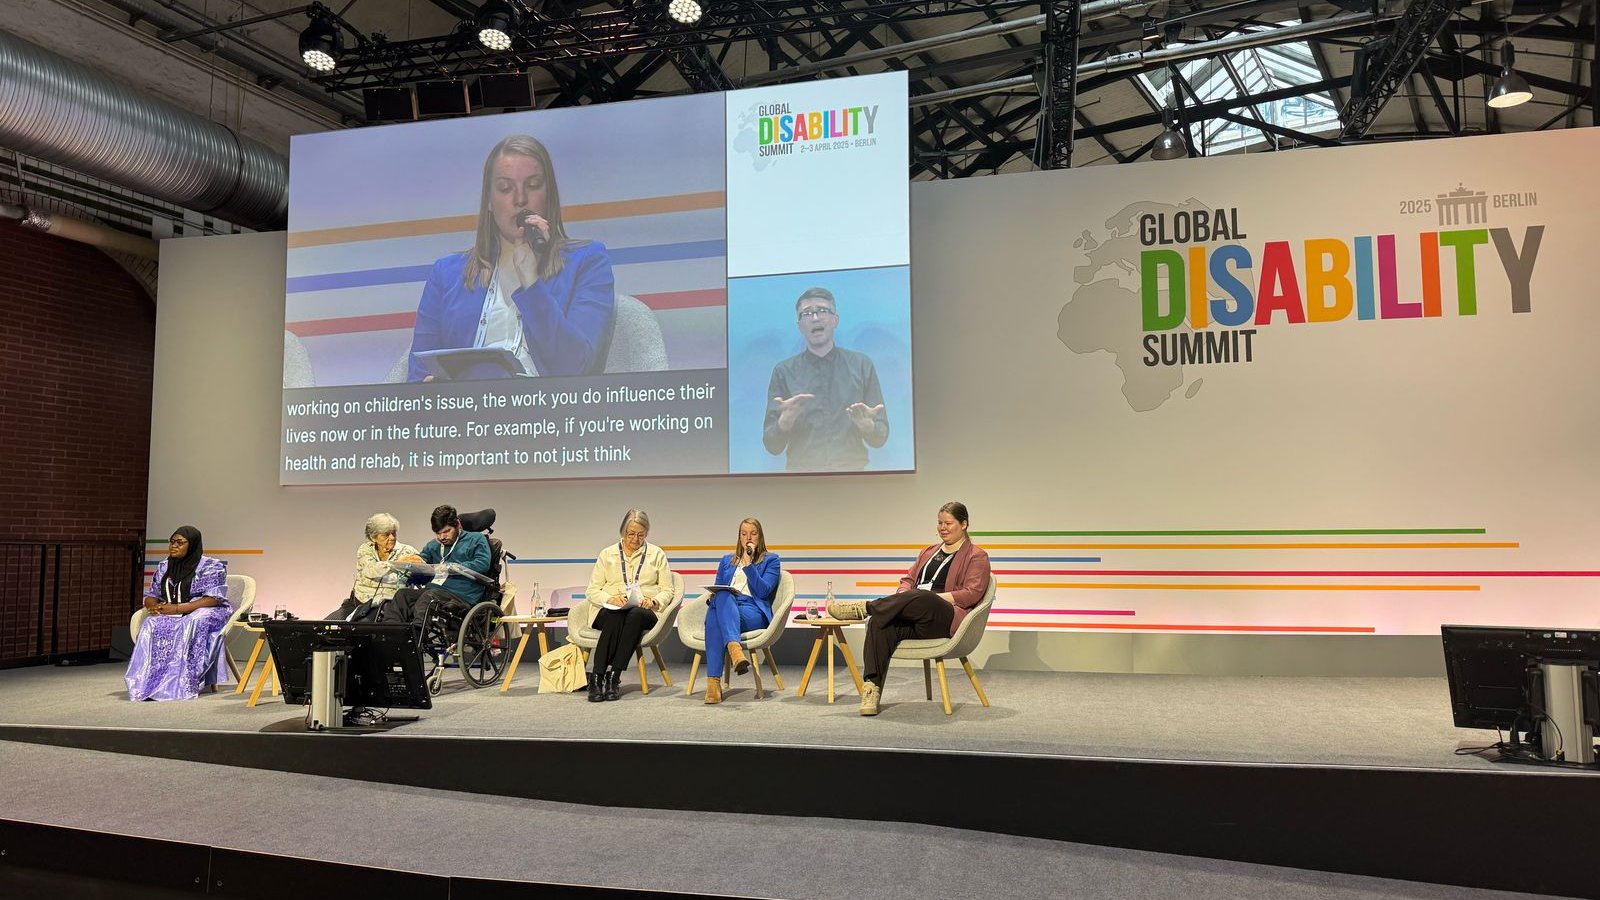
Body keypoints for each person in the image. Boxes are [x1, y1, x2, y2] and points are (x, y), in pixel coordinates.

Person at [405, 134, 615, 381]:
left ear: (549, 195)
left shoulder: (588, 261)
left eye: (533, 185)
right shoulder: (446, 273)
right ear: (489, 201)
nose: (520, 199)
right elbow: (419, 372)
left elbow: (575, 367)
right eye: (505, 188)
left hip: (545, 402)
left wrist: (531, 283)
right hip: (467, 402)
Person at [827, 501, 991, 717]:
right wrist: (904, 595)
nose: (942, 528)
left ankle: (866, 607)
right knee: (880, 621)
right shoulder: (928, 552)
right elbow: (908, 581)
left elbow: (972, 593)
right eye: (940, 523)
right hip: (915, 612)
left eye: (948, 523)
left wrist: (932, 598)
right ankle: (872, 689)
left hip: (944, 616)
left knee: (923, 596)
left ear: (964, 524)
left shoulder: (976, 556)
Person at [762, 286, 889, 471]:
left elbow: (881, 437)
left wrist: (868, 427)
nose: (815, 318)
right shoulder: (783, 372)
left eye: (822, 310)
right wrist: (784, 423)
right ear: (800, 325)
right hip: (802, 478)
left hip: (852, 477)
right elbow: (772, 446)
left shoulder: (862, 365)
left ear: (835, 320)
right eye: (807, 313)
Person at [126, 526, 232, 701]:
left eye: (180, 543)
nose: (173, 546)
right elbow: (152, 595)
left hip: (206, 610)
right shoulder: (164, 566)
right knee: (151, 623)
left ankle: (185, 682)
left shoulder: (212, 566)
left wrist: (177, 609)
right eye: (172, 542)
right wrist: (153, 607)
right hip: (174, 611)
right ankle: (148, 683)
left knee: (193, 621)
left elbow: (214, 599)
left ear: (192, 545)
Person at [581, 509, 677, 702]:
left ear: (647, 533)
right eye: (631, 534)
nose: (635, 539)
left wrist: (654, 601)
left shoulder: (656, 554)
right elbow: (592, 590)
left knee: (635, 615)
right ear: (622, 531)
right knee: (616, 615)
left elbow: (668, 590)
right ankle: (598, 677)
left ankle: (613, 677)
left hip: (644, 611)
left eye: (640, 535)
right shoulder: (607, 554)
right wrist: (610, 599)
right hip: (610, 609)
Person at [702, 517, 782, 705]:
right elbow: (718, 587)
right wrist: (713, 596)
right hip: (727, 606)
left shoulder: (771, 560)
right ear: (739, 537)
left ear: (760, 537)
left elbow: (763, 591)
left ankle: (713, 683)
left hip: (753, 610)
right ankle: (735, 651)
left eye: (753, 534)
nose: (748, 538)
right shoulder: (726, 561)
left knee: (715, 618)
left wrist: (748, 564)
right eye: (744, 534)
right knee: (722, 596)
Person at [379, 505, 492, 625]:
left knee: (429, 597)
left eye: (447, 531)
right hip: (435, 590)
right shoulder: (433, 545)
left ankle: (417, 631)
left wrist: (453, 567)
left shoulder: (476, 539)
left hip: (462, 594)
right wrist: (412, 562)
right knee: (402, 595)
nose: (442, 537)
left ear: (458, 525)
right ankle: (390, 631)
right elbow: (422, 560)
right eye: (438, 533)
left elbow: (483, 563)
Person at [328, 513, 420, 622]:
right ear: (374, 537)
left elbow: (422, 575)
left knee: (361, 627)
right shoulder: (365, 549)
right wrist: (397, 563)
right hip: (359, 603)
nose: (392, 538)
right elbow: (371, 570)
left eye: (394, 533)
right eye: (386, 535)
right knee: (325, 626)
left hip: (387, 607)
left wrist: (421, 569)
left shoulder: (408, 552)